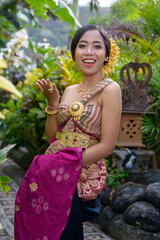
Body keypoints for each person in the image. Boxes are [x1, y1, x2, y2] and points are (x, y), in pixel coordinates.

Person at [14, 24, 122, 240]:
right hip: (52, 169)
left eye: (97, 46)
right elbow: (53, 137)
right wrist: (53, 104)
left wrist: (65, 165)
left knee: (65, 233)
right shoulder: (70, 90)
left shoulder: (110, 89)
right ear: (74, 53)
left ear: (107, 55)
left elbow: (107, 146)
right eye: (82, 45)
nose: (89, 52)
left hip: (77, 172)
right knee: (43, 227)